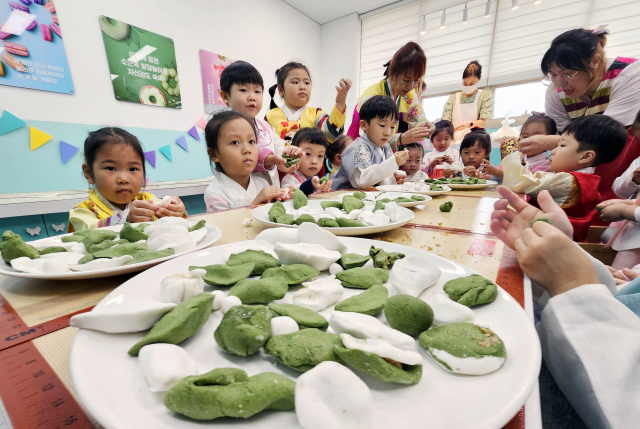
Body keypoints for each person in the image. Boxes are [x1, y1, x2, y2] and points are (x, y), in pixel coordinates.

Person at [491, 185, 640, 429]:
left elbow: (628, 404)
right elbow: (621, 301)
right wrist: (557, 252)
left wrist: (570, 283)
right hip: (566, 339)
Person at [520, 28, 640, 200]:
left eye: (567, 74)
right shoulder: (556, 93)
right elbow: (569, 142)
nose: (559, 83)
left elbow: (608, 136)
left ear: (595, 61)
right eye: (553, 75)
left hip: (624, 169)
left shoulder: (630, 75)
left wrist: (549, 141)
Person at [502, 115, 628, 241]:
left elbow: (518, 182)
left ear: (585, 156)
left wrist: (509, 148)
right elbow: (532, 179)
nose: (554, 151)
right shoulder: (581, 179)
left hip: (553, 245)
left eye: (562, 145)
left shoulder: (570, 181)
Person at [68, 128, 185, 232]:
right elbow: (90, 233)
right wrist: (126, 219)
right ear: (89, 173)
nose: (124, 179)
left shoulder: (148, 200)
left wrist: (174, 212)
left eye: (133, 168)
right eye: (110, 168)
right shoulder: (82, 212)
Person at [218, 61, 301, 186]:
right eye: (243, 90)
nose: (252, 97)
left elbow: (280, 149)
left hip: (271, 195)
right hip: (243, 197)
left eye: (257, 91)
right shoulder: (223, 129)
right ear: (225, 96)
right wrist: (272, 159)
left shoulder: (266, 127)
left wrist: (290, 154)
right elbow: (243, 157)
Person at [347, 42, 434, 149]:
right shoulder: (372, 96)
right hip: (360, 144)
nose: (411, 86)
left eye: (416, 80)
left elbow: (417, 119)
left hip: (386, 145)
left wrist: (426, 127)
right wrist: (401, 138)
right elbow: (369, 138)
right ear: (392, 74)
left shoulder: (409, 95)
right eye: (406, 80)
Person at [203, 111, 293, 213]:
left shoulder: (263, 183)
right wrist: (256, 203)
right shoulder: (215, 193)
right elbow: (226, 226)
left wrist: (278, 202)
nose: (247, 149)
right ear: (214, 154)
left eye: (251, 141)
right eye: (235, 142)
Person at [331, 95, 409, 190]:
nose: (388, 133)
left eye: (392, 127)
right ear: (364, 125)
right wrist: (393, 162)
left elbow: (379, 178)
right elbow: (361, 181)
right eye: (382, 125)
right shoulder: (357, 147)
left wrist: (393, 178)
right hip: (340, 194)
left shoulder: (385, 148)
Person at [266, 62, 351, 144]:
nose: (302, 87)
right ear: (281, 90)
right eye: (295, 82)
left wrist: (340, 103)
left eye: (306, 83)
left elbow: (332, 137)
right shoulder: (270, 117)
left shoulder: (316, 114)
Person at [483, 113, 558, 180]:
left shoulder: (546, 164)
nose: (529, 140)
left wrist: (494, 171)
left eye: (536, 136)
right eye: (525, 137)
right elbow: (499, 173)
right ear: (519, 139)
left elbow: (524, 181)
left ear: (549, 140)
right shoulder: (517, 155)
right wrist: (486, 175)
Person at [441, 61, 494, 143]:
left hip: (473, 141)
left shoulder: (484, 96)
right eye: (465, 83)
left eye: (472, 83)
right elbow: (446, 121)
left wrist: (469, 124)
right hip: (453, 141)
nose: (468, 86)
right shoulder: (453, 98)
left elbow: (483, 122)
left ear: (479, 78)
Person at [280, 127, 333, 195]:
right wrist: (310, 186)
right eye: (308, 154)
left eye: (320, 156)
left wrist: (323, 191)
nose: (314, 161)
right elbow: (286, 195)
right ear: (295, 154)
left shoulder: (318, 179)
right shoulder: (290, 178)